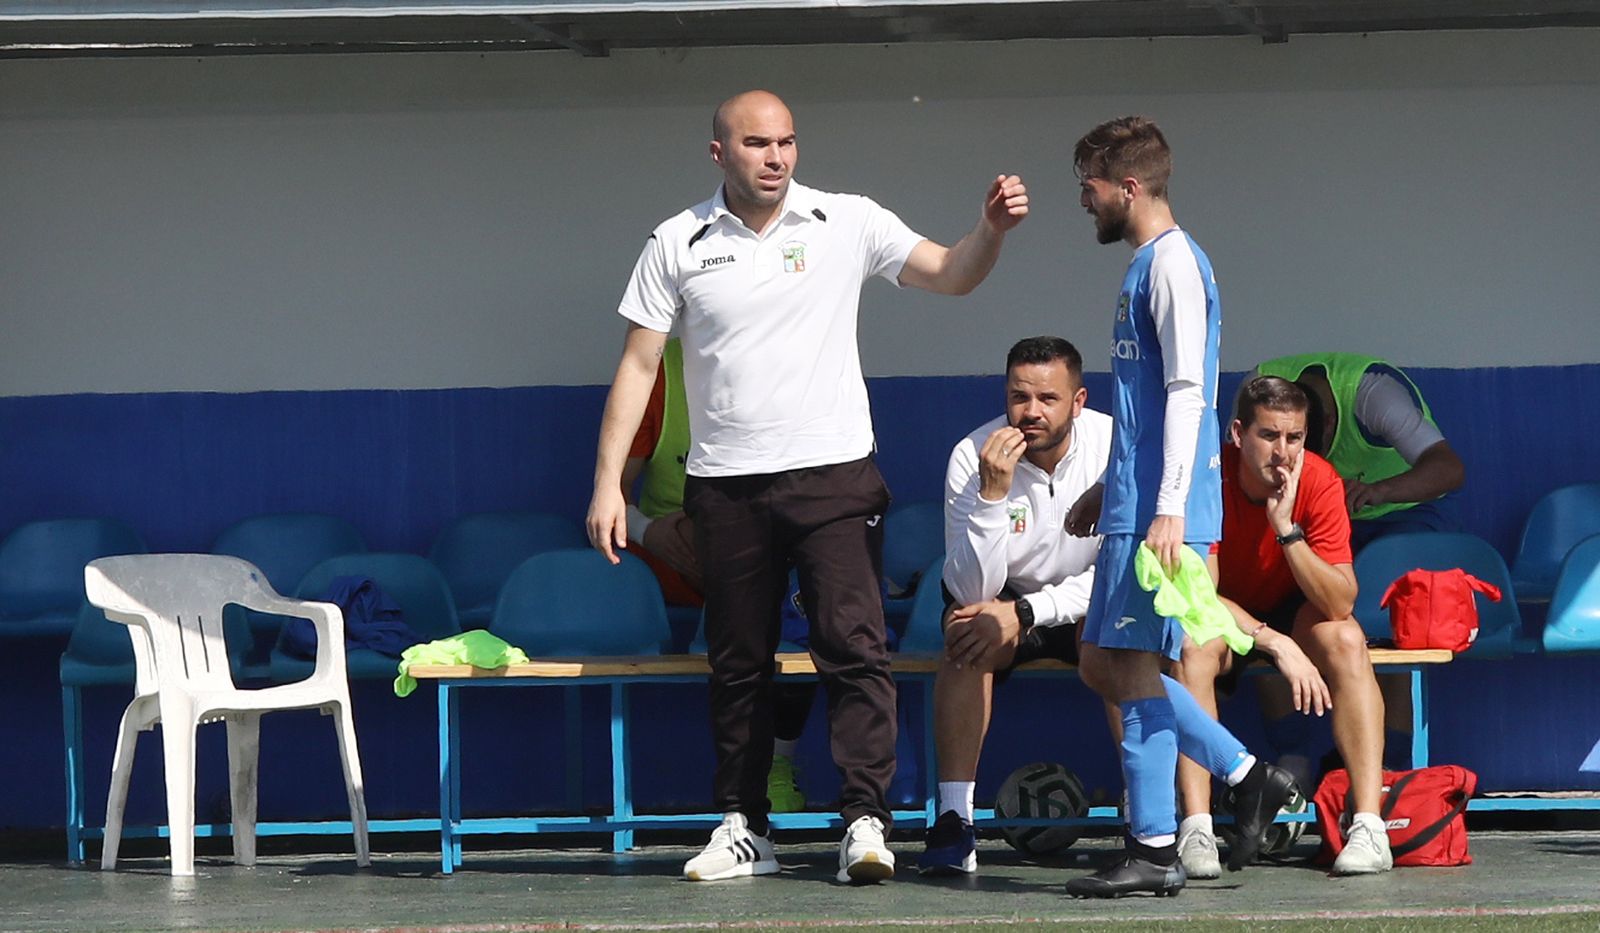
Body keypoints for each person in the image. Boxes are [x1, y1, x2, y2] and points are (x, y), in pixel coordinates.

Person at [586, 89, 1029, 885]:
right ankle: (743, 826)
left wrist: (989, 231)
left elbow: (951, 273)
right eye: (757, 143)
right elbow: (639, 362)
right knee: (739, 663)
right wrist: (607, 484)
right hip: (725, 488)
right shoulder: (676, 240)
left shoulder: (845, 220)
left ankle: (865, 821)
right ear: (719, 152)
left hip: (835, 478)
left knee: (853, 649)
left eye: (787, 141)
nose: (776, 157)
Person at [1061, 116, 1299, 899]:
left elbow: (1188, 391)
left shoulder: (1173, 265)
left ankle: (1155, 846)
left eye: (1090, 187)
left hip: (1159, 513)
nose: (1084, 201)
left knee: (1132, 669)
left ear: (1128, 186)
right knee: (1102, 661)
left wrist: (1165, 506)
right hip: (1136, 503)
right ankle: (1245, 772)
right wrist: (1112, 485)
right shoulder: (1147, 264)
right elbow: (1144, 404)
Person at [1173, 375, 1390, 878]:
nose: (1283, 452)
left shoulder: (1318, 479)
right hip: (1225, 614)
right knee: (1191, 646)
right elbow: (1202, 595)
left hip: (1293, 609)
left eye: (1294, 438)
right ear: (1238, 434)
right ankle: (1196, 828)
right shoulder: (1207, 479)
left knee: (1347, 638)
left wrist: (1287, 531)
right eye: (1269, 435)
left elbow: (1340, 601)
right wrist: (1274, 643)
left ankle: (1369, 827)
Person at [915, 336, 1112, 875]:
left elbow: (1119, 575)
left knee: (1120, 643)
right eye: (1019, 397)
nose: (1031, 412)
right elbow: (970, 589)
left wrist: (1030, 611)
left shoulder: (1113, 447)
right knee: (967, 634)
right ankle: (954, 820)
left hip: (1085, 601)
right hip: (1001, 601)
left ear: (1079, 401)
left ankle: (1146, 815)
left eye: (1048, 398)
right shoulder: (973, 454)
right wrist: (992, 496)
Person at [620, 336, 815, 813]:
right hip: (672, 553)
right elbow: (610, 499)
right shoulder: (660, 370)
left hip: (765, 549)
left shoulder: (792, 363)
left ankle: (778, 766)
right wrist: (651, 534)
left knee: (814, 601)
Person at [1251, 353, 1465, 551]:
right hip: (1328, 515)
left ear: (1329, 423)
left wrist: (1379, 491)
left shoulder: (1377, 396)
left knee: (1385, 567)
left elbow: (1449, 470)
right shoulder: (1260, 389)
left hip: (1409, 511)